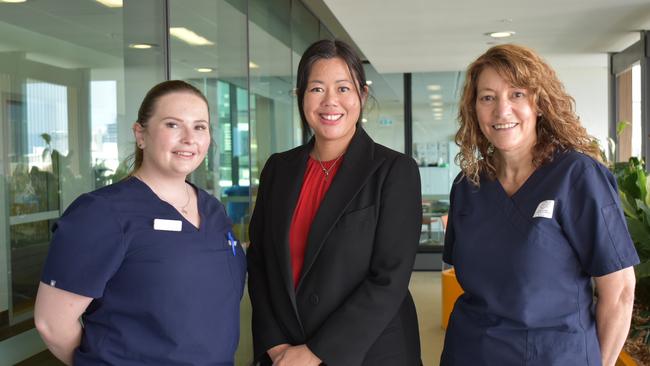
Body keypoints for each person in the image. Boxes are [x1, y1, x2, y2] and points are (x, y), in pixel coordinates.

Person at [440, 44, 639, 366]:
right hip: (470, 352)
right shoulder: (468, 185)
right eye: (487, 97)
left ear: (540, 103)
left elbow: (619, 291)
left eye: (516, 94)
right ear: (474, 109)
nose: (501, 111)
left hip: (554, 356)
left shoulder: (577, 176)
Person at [34, 80, 246, 365]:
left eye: (200, 126)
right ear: (140, 134)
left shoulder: (213, 210)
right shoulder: (101, 213)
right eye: (173, 124)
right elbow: (52, 324)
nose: (189, 138)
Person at [247, 39, 422, 366]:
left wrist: (316, 353)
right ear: (301, 97)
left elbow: (389, 278)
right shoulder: (278, 169)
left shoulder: (394, 171)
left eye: (343, 88)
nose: (330, 102)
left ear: (362, 95)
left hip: (369, 351)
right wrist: (274, 343)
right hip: (287, 351)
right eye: (316, 89)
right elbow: (259, 263)